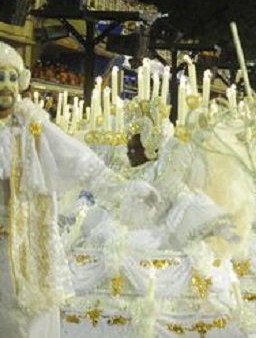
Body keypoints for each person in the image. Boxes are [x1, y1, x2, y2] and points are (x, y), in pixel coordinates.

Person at [0, 41, 156, 337]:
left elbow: (83, 163)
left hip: (26, 249)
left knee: (25, 320)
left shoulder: (33, 127)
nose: (6, 86)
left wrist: (124, 191)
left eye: (11, 77)